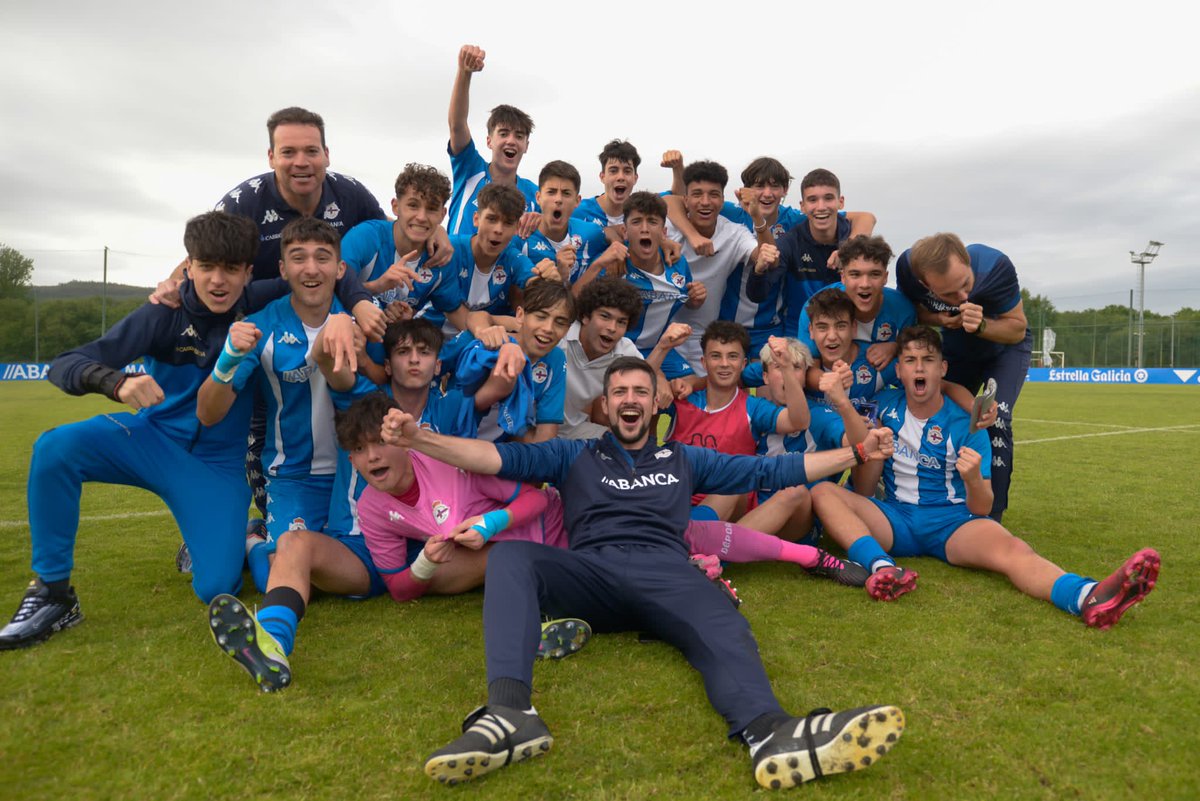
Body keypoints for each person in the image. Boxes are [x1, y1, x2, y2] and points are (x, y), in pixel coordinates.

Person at [380, 356, 906, 789]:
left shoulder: (684, 460)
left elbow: (772, 469)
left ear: (656, 402)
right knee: (513, 558)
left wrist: (856, 451)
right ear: (606, 406)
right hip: (592, 576)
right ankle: (510, 715)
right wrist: (419, 440)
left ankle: (771, 734)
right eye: (620, 392)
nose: (630, 400)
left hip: (667, 574)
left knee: (720, 616)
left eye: (640, 390)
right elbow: (492, 458)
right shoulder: (574, 454)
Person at [0, 212, 267, 649]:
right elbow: (64, 364)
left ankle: (242, 531)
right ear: (189, 266)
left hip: (215, 465)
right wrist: (117, 382)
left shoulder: (263, 304)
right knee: (54, 448)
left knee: (215, 587)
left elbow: (323, 282)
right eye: (206, 267)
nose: (218, 281)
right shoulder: (163, 313)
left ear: (248, 272)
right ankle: (53, 593)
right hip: (150, 441)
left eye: (231, 269)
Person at [810, 325, 1160, 627]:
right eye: (911, 361)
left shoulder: (969, 424)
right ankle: (882, 567)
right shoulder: (884, 407)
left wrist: (975, 478)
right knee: (824, 493)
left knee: (1012, 548)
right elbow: (866, 488)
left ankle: (1086, 596)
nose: (920, 368)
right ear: (899, 370)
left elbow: (981, 507)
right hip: (895, 518)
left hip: (951, 523)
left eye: (928, 361)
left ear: (942, 369)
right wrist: (874, 452)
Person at [197, 218, 385, 692]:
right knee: (288, 569)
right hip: (293, 476)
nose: (311, 268)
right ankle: (257, 551)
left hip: (354, 470)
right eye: (298, 257)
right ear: (282, 268)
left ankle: (256, 542)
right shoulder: (260, 329)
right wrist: (226, 361)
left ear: (341, 268)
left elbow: (375, 393)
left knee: (363, 580)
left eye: (322, 257)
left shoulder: (365, 320)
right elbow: (208, 413)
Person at [895, 233, 1032, 522]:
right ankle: (943, 502)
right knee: (941, 413)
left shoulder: (994, 265)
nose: (963, 298)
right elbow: (914, 312)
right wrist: (940, 320)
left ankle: (991, 517)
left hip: (1004, 348)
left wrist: (981, 325)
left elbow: (1017, 328)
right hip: (958, 346)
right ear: (925, 283)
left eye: (966, 285)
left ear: (967, 261)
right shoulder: (908, 267)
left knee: (994, 420)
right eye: (948, 295)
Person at [662, 159, 777, 373]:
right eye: (697, 194)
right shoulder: (669, 227)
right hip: (661, 334)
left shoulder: (734, 233)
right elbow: (667, 202)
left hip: (702, 340)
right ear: (685, 200)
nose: (705, 202)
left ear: (723, 200)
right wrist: (690, 237)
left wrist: (757, 217)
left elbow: (767, 256)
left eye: (713, 194)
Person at [449, 279, 575, 442]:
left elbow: (544, 438)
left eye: (560, 323)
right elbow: (432, 373)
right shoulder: (481, 338)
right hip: (446, 437)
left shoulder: (556, 360)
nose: (548, 329)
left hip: (496, 455)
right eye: (541, 317)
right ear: (520, 315)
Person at [747, 169, 860, 338]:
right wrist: (758, 270)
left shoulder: (855, 238)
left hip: (847, 337)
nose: (821, 207)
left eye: (828, 198)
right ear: (803, 206)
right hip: (801, 337)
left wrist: (848, 251)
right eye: (812, 200)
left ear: (840, 202)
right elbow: (757, 294)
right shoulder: (790, 242)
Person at [446, 44, 539, 237]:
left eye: (519, 136)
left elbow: (565, 219)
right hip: (456, 265)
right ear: (489, 141)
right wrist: (465, 72)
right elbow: (457, 124)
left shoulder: (534, 194)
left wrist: (542, 220)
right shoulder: (470, 169)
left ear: (526, 146)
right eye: (503, 134)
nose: (511, 141)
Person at [616, 191, 705, 379]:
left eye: (653, 222)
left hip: (659, 345)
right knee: (647, 386)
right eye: (636, 221)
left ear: (664, 232)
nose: (645, 229)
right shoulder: (614, 265)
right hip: (619, 348)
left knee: (692, 386)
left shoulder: (678, 264)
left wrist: (695, 299)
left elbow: (685, 298)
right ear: (624, 231)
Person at [795, 235, 915, 371]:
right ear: (843, 277)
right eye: (855, 274)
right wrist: (837, 384)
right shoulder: (815, 308)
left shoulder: (903, 309)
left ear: (885, 278)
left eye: (874, 274)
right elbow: (808, 370)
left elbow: (915, 355)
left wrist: (896, 346)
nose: (865, 284)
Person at [515, 160, 619, 286]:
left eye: (566, 193)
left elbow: (612, 231)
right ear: (538, 198)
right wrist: (557, 276)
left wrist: (616, 247)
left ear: (577, 201)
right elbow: (516, 297)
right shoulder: (521, 237)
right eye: (551, 192)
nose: (558, 199)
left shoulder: (589, 232)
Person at [573, 139, 640, 230]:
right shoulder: (577, 211)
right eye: (613, 171)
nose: (620, 177)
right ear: (602, 176)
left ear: (635, 178)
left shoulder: (643, 215)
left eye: (627, 171)